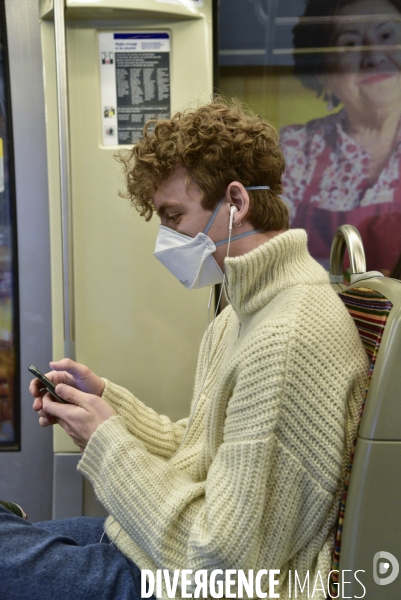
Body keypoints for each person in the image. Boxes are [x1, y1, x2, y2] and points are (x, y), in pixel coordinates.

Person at [0, 99, 368, 599]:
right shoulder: (241, 312)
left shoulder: (287, 337)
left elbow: (223, 563)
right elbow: (202, 450)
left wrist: (107, 443)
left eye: (174, 216)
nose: (167, 238)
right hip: (167, 556)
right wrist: (108, 406)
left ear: (235, 203)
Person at [281, 0, 401, 274]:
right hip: (312, 314)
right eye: (349, 44)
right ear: (324, 73)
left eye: (386, 35)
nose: (373, 56)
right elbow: (261, 257)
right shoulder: (295, 149)